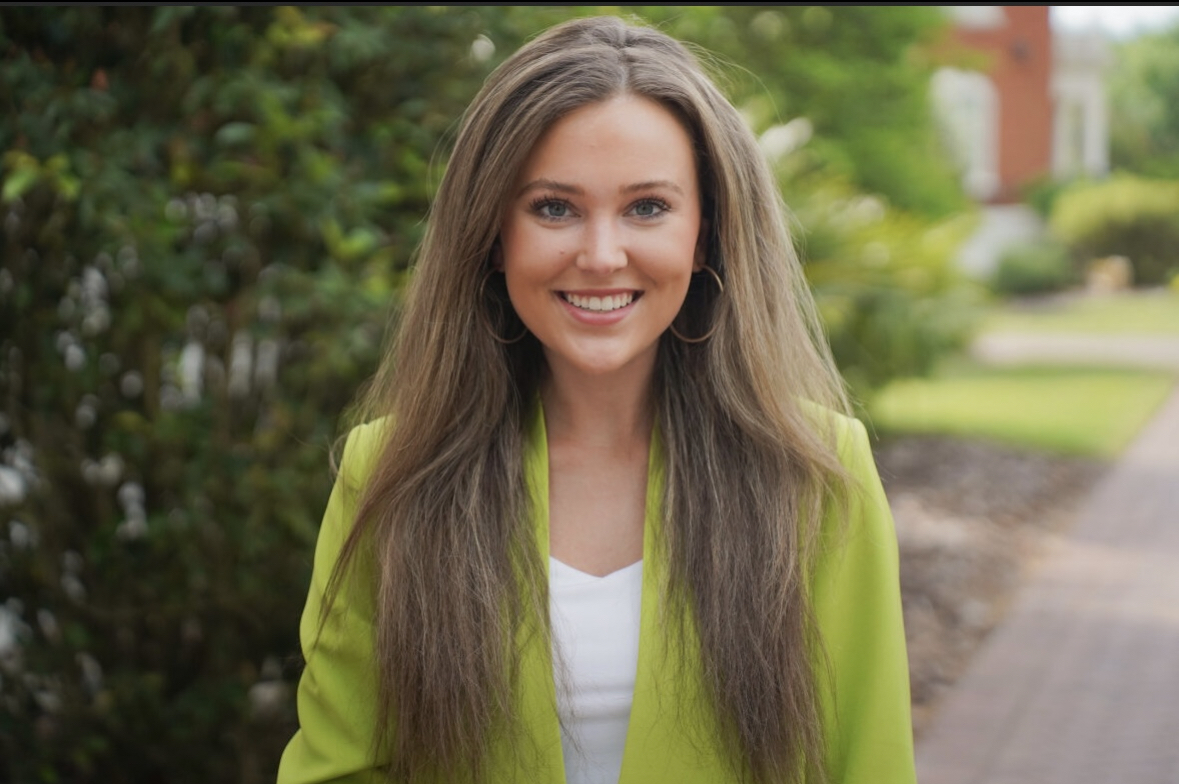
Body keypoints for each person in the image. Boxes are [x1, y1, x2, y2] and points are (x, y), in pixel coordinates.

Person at [277, 15, 915, 784]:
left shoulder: (817, 473)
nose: (601, 256)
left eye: (647, 207)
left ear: (704, 233)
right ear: (492, 233)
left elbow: (866, 765)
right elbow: (337, 769)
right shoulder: (388, 473)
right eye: (554, 208)